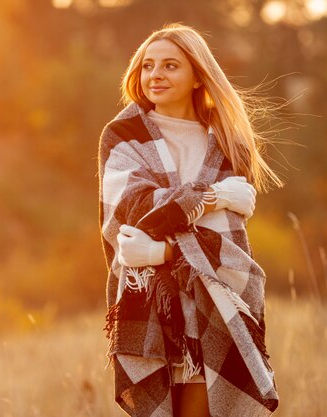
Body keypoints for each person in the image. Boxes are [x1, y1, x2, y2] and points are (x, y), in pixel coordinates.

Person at [98, 23, 281, 417]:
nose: (154, 76)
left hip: (215, 307)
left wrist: (164, 251)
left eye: (170, 66)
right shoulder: (122, 136)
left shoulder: (226, 143)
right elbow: (134, 210)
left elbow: (225, 241)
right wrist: (211, 197)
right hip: (150, 309)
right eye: (147, 66)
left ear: (198, 75)